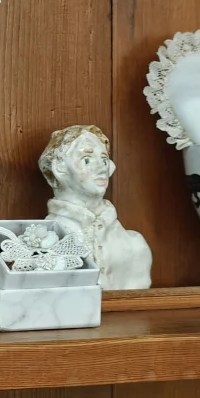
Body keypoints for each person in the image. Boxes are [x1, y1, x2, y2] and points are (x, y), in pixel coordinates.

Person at [39, 124, 152, 290]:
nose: (102, 168)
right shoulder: (43, 241)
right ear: (59, 168)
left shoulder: (135, 246)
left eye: (104, 160)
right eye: (87, 160)